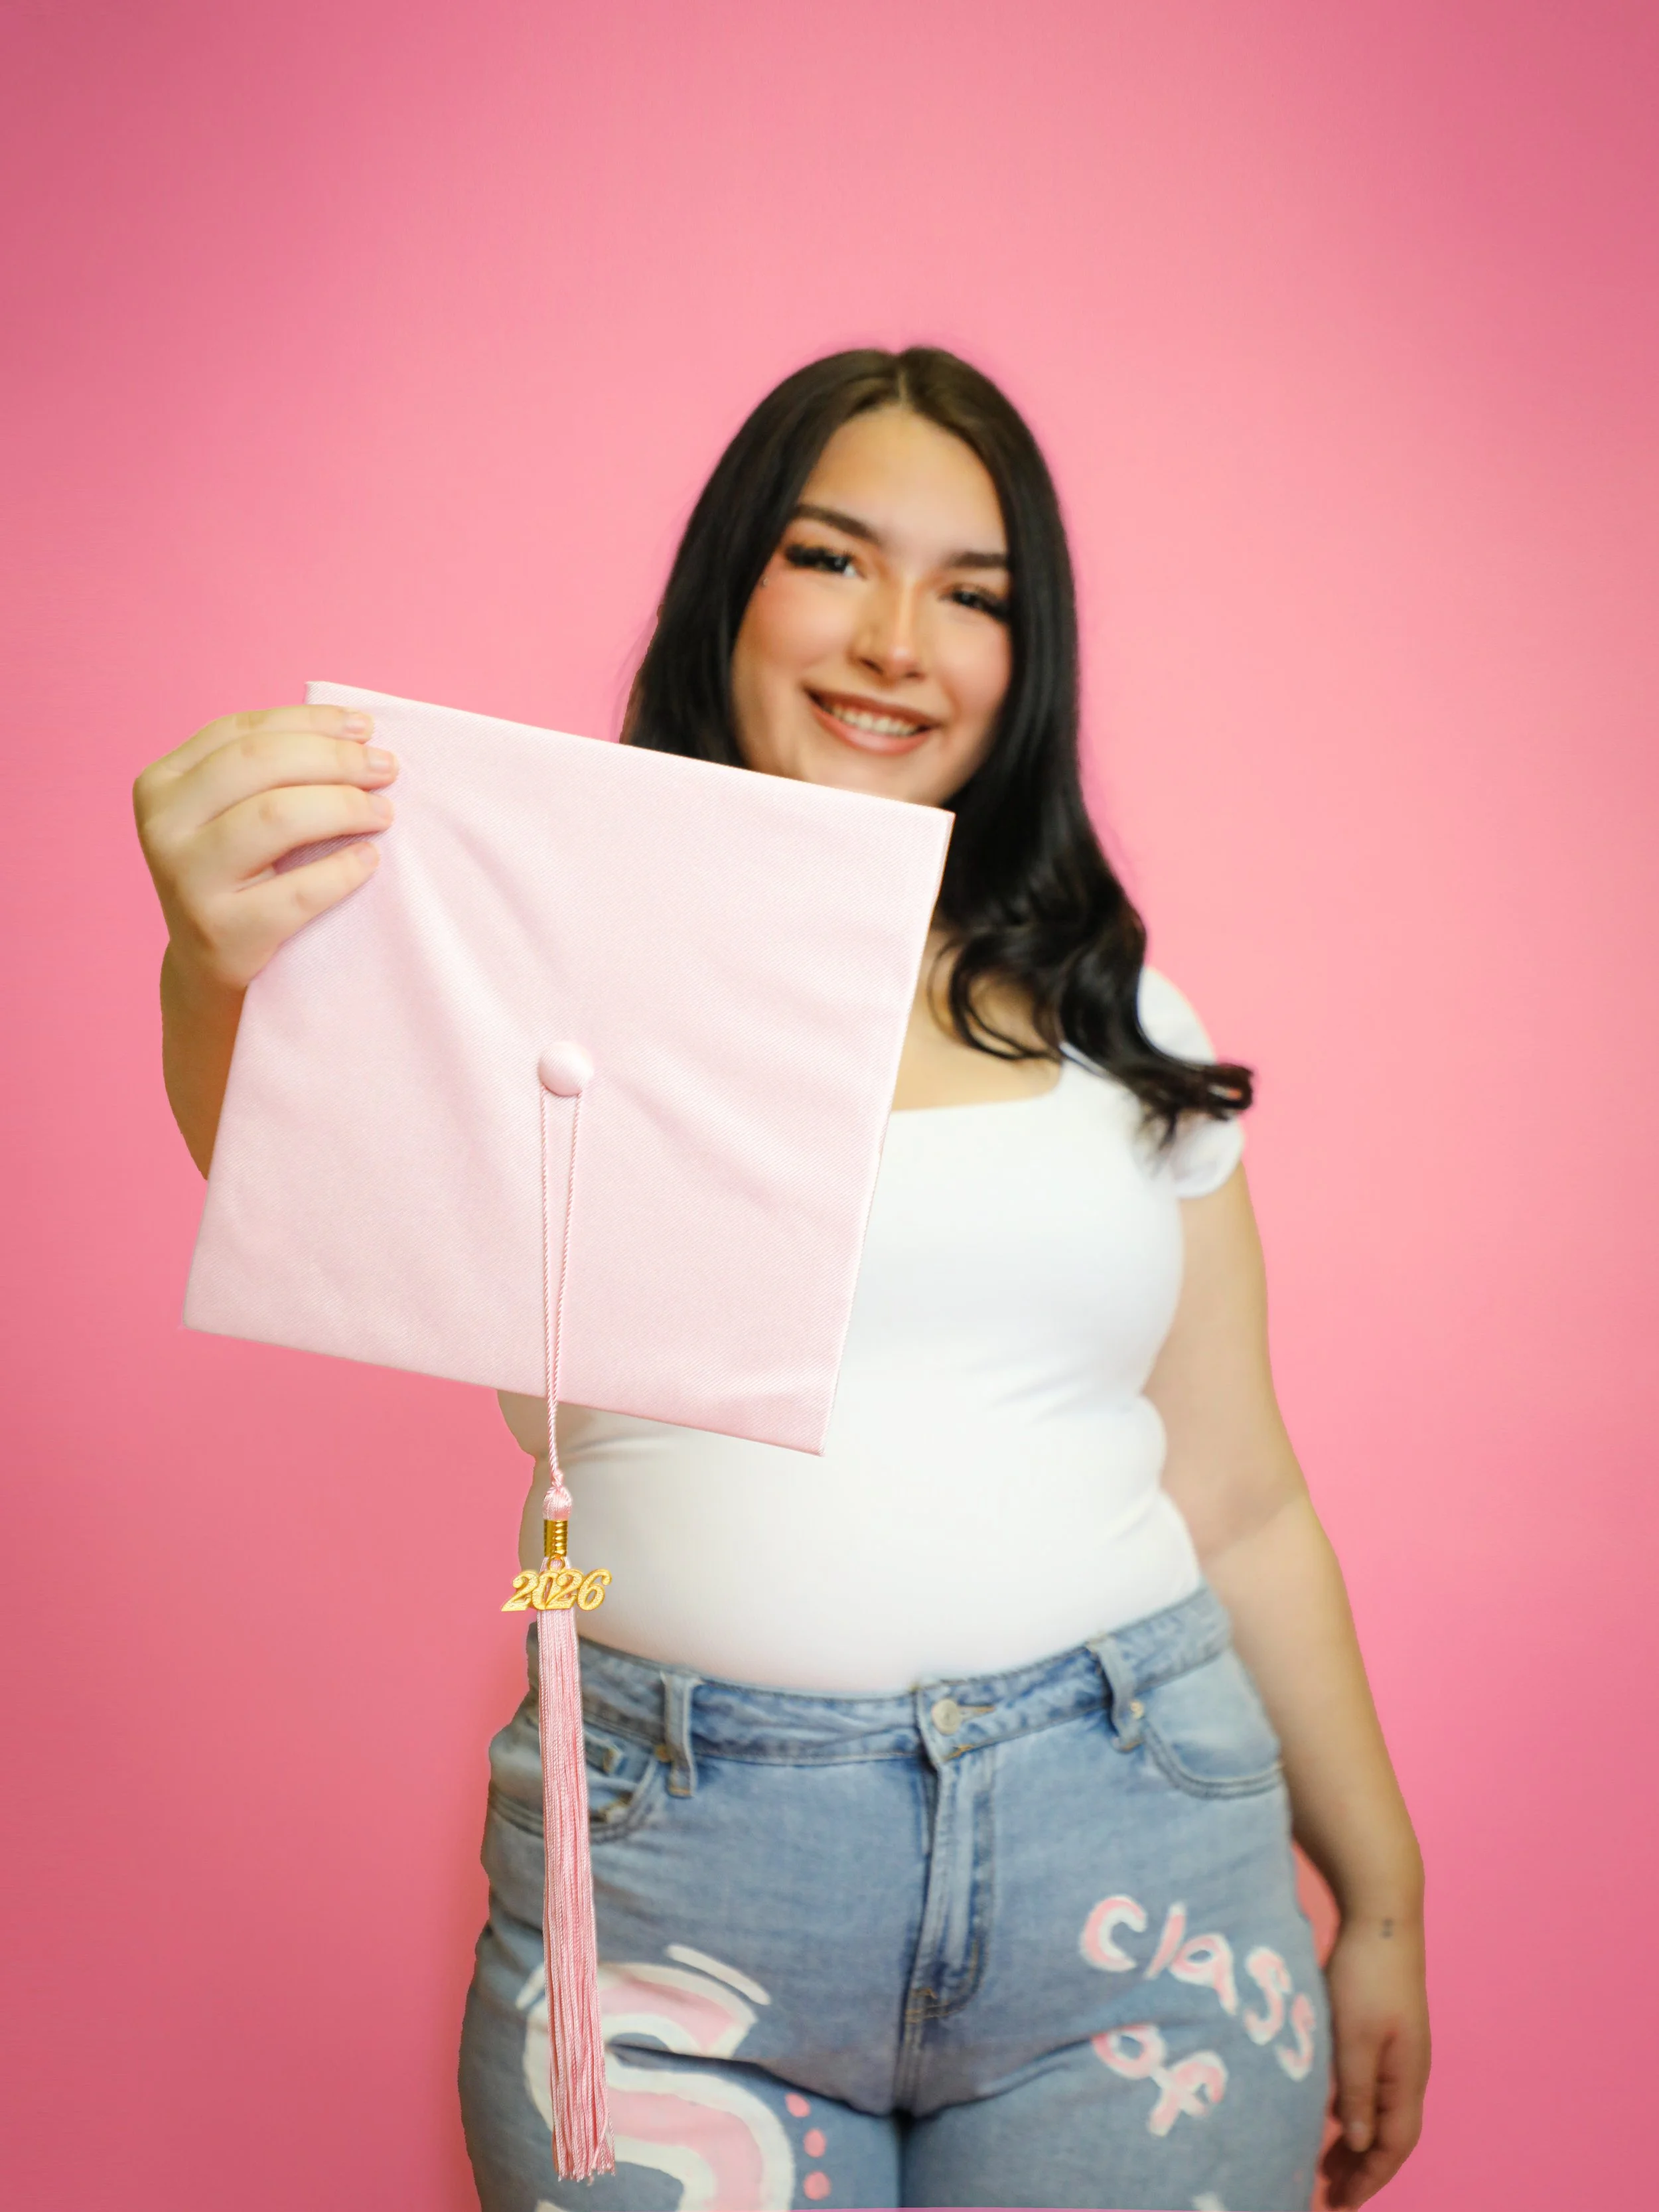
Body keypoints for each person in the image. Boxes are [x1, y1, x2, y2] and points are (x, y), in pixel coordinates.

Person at [135, 347, 1429, 2211]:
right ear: (732, 581)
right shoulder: (533, 968)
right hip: (677, 1891)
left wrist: (1379, 1894)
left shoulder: (1117, 1018)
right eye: (833, 558)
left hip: (1132, 1856)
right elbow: (283, 1159)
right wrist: (206, 963)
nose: (900, 639)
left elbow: (1238, 1496)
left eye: (974, 594)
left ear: (1024, 657)